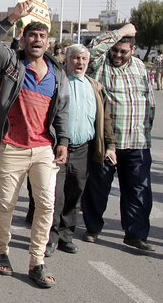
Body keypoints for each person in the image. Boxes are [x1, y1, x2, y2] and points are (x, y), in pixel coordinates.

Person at [0, 4, 68, 288]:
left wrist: (63, 141)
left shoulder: (57, 73)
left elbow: (63, 109)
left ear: (48, 41)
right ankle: (1, 252)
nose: (38, 40)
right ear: (23, 39)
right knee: (6, 204)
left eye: (42, 35)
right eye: (32, 35)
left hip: (44, 149)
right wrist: (12, 18)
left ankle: (37, 262)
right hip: (12, 146)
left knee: (46, 205)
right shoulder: (11, 64)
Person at [81, 23, 157, 251]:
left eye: (123, 51)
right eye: (115, 49)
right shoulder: (100, 64)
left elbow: (149, 100)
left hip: (137, 142)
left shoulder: (140, 67)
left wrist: (147, 131)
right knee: (98, 188)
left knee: (138, 190)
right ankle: (93, 228)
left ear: (133, 50)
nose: (118, 54)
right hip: (107, 142)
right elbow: (92, 48)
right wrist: (121, 32)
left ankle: (135, 234)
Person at [46, 43, 115, 257]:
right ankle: (50, 238)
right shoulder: (57, 82)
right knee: (55, 195)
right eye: (76, 58)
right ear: (66, 60)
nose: (80, 63)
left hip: (83, 149)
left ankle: (66, 236)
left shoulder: (94, 86)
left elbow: (105, 119)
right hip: (57, 148)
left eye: (84, 59)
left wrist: (110, 145)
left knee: (75, 193)